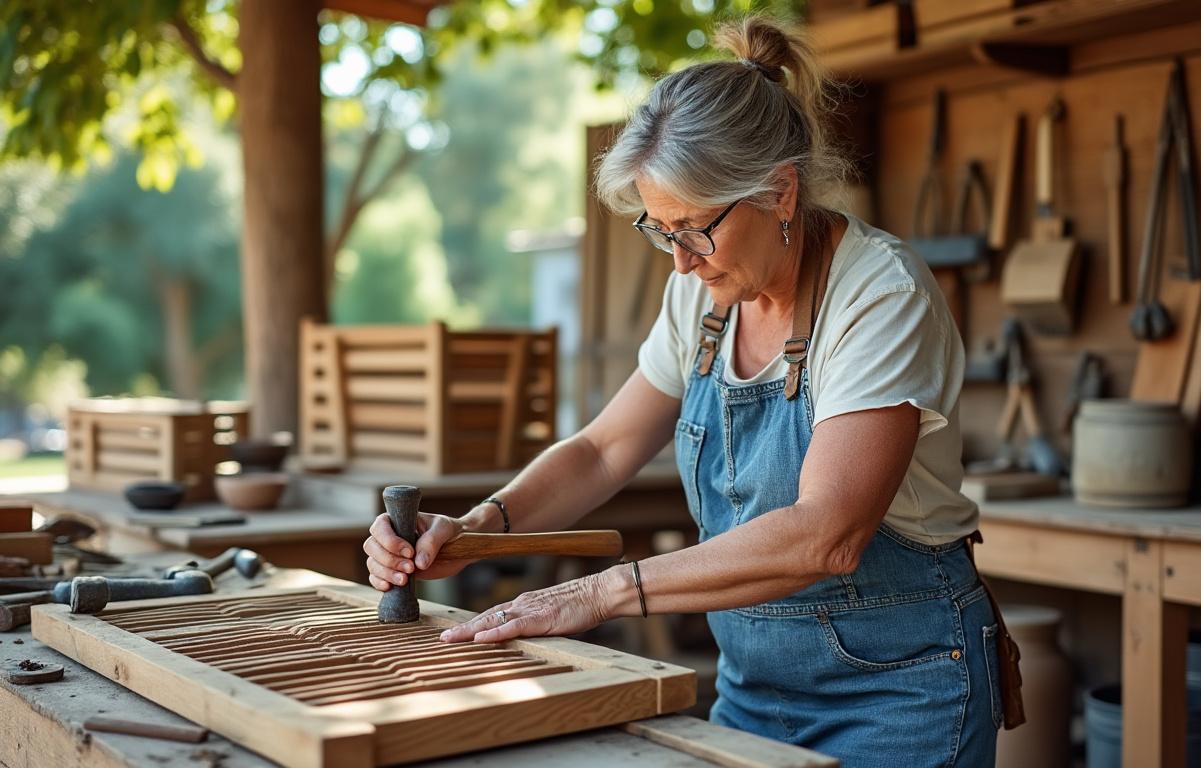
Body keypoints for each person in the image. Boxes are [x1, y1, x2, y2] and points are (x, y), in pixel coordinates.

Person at [365, 16, 1016, 767]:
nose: (679, 262)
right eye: (660, 229)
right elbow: (604, 450)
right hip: (753, 692)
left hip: (901, 694)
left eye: (695, 229)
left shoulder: (880, 294)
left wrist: (599, 593)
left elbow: (826, 534)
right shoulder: (703, 293)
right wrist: (481, 528)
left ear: (779, 192)